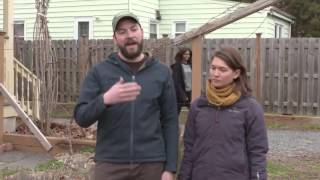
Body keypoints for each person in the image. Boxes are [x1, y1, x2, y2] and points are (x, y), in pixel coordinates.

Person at [74, 11, 178, 180]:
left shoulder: (162, 72)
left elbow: (170, 120)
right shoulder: (100, 72)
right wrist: (105, 99)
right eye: (122, 32)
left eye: (133, 29)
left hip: (151, 164)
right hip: (110, 164)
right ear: (115, 38)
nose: (129, 35)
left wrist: (170, 168)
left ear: (142, 32)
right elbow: (81, 117)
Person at [179, 47, 268, 180]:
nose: (215, 74)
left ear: (236, 73)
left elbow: (257, 151)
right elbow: (189, 148)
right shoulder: (198, 106)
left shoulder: (250, 108)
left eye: (222, 70)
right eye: (213, 68)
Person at [171, 48, 192, 115]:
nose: (187, 56)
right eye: (185, 54)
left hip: (190, 92)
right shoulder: (177, 66)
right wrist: (183, 95)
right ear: (181, 55)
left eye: (189, 54)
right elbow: (176, 82)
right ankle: (173, 125)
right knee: (176, 113)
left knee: (193, 112)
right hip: (181, 93)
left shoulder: (191, 65)